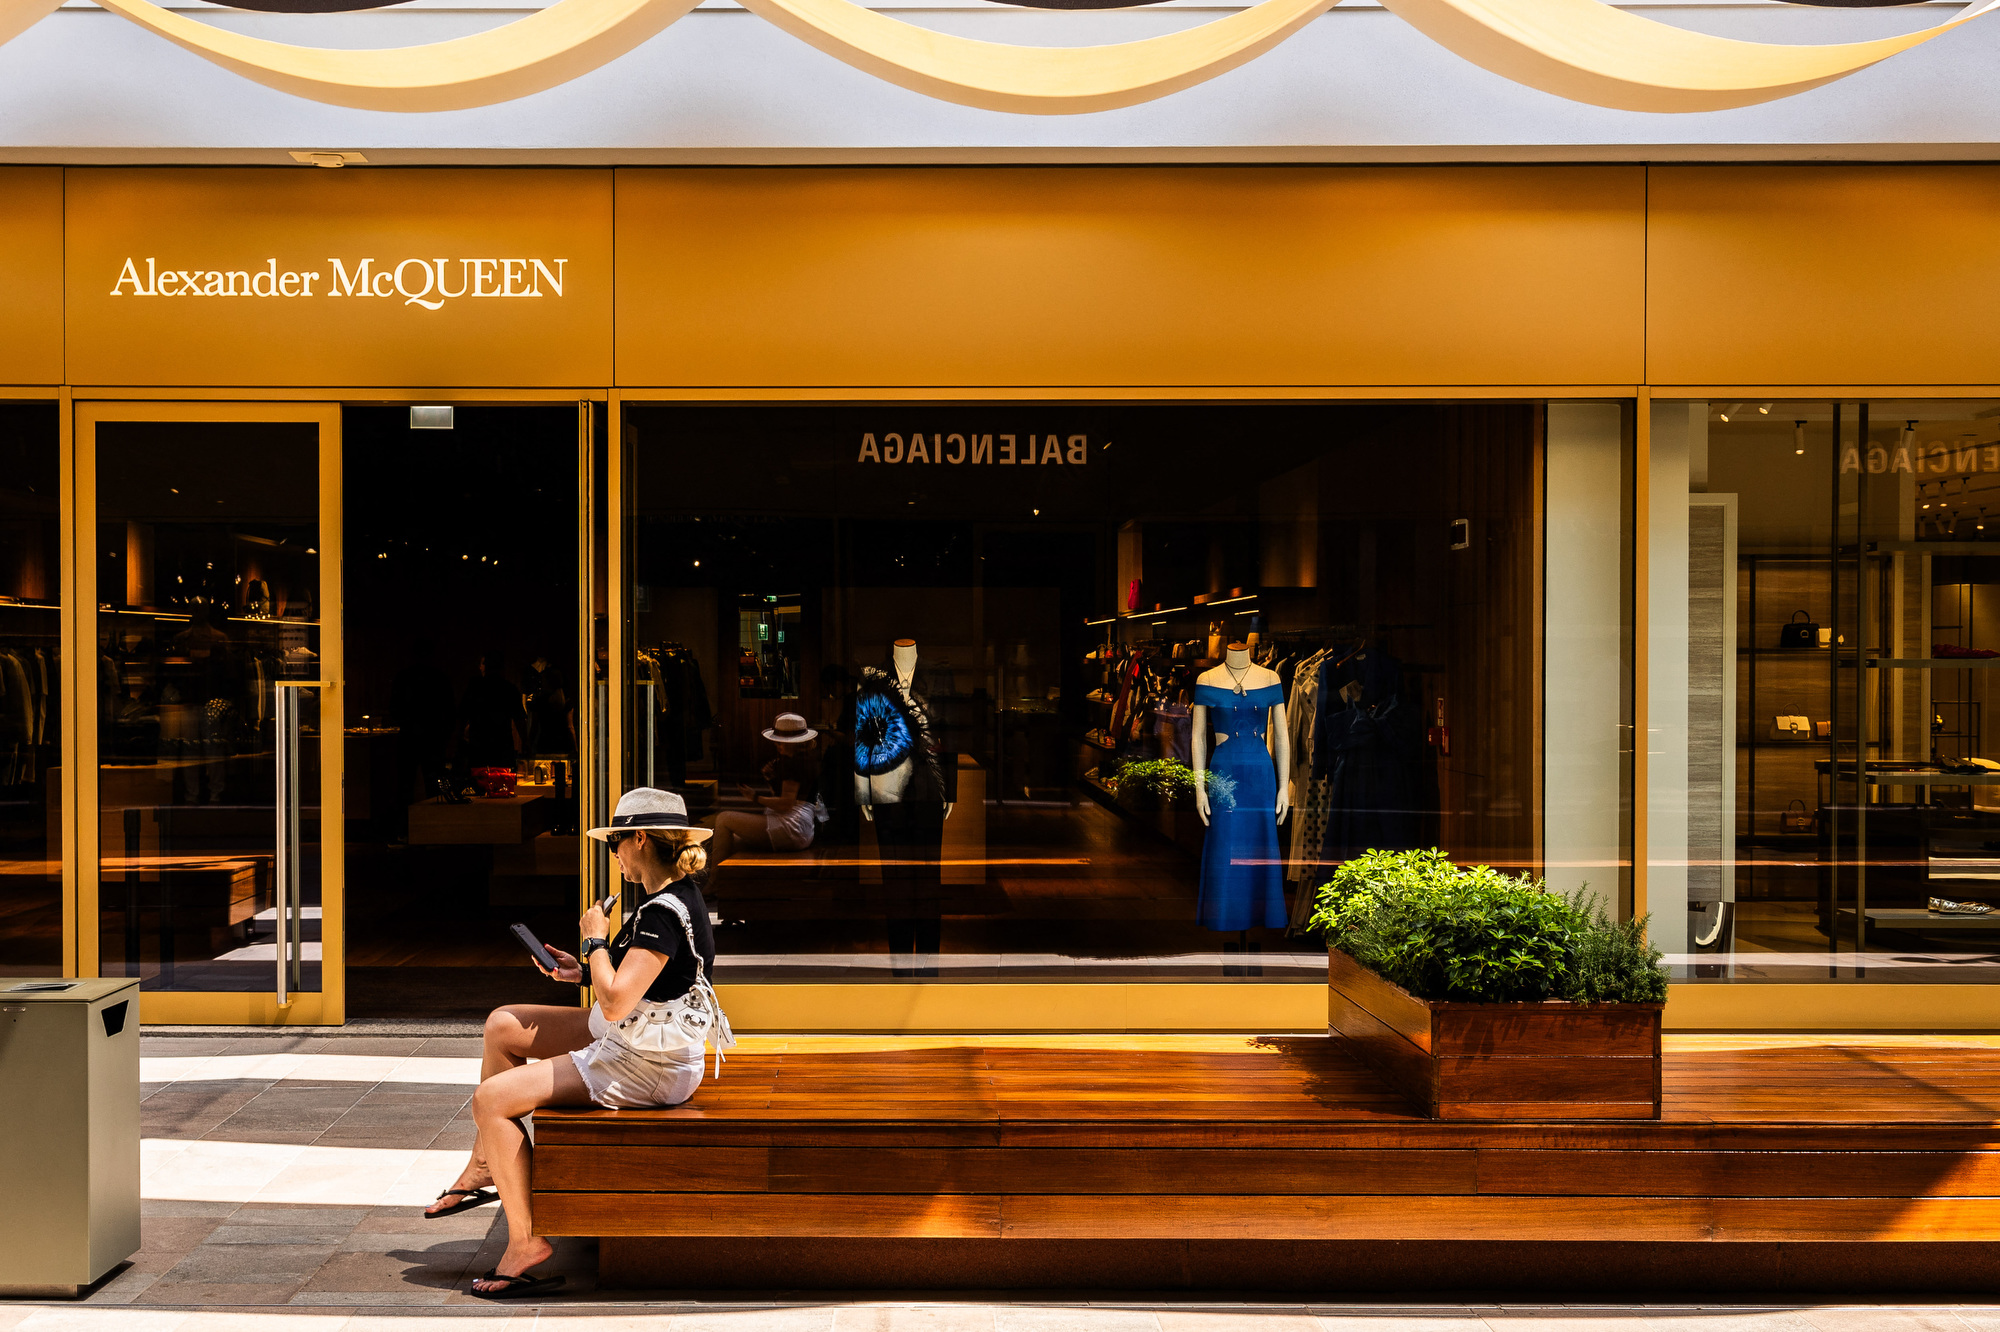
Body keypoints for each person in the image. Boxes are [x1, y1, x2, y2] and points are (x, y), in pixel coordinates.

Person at [420, 788, 730, 1299]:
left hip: (646, 1064)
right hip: (640, 1039)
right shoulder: (664, 898)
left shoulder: (660, 914)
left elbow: (615, 1003)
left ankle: (526, 1242)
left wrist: (594, 939)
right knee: (503, 1025)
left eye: (615, 844)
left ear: (639, 839)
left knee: (491, 1101)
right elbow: (642, 982)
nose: (613, 855)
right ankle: (483, 1163)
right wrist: (582, 970)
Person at [708, 711, 822, 865]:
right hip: (801, 827)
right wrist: (772, 779)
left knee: (723, 819)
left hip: (792, 826)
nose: (776, 745)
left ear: (792, 742)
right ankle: (726, 884)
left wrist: (755, 797)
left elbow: (785, 804)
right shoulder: (803, 761)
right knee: (733, 841)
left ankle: (713, 883)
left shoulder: (793, 764)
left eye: (780, 742)